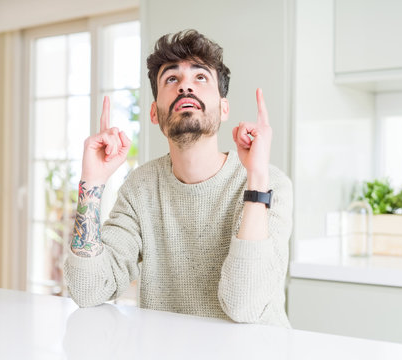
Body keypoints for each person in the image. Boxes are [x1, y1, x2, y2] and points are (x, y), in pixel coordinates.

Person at [64, 29, 292, 327]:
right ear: (154, 113)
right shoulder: (140, 188)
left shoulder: (269, 183)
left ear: (224, 108)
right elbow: (87, 290)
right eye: (171, 79)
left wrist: (257, 177)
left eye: (200, 78)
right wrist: (91, 184)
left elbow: (245, 306)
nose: (185, 86)